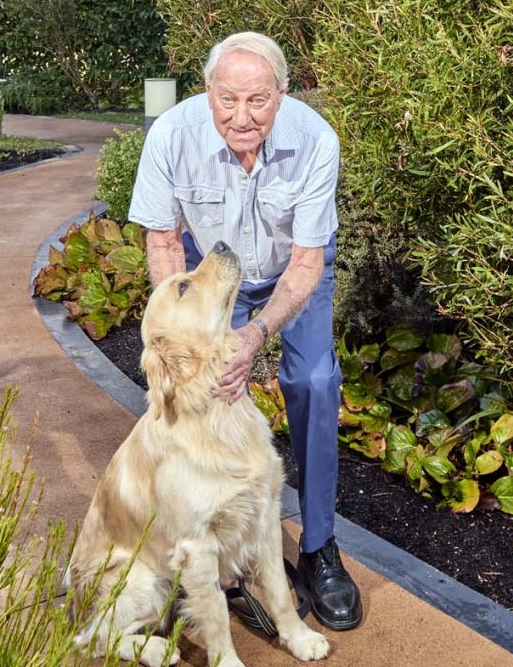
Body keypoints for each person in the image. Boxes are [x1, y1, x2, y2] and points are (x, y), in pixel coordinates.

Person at [128, 31, 362, 631]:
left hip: (292, 272)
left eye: (257, 100)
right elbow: (162, 242)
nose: (241, 116)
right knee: (204, 398)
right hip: (214, 276)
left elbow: (310, 260)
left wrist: (256, 335)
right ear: (207, 93)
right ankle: (214, 549)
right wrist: (190, 334)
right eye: (227, 99)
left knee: (312, 380)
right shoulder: (172, 135)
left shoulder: (315, 140)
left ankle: (318, 549)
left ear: (282, 94)